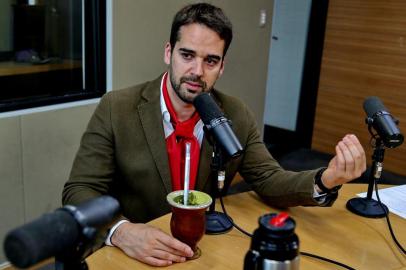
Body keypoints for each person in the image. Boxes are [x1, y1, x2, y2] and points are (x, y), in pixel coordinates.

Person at [63, 3, 366, 267]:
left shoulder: (235, 113)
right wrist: (122, 232)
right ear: (168, 52)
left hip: (203, 251)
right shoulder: (118, 107)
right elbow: (79, 190)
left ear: (222, 66)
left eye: (210, 60)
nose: (197, 70)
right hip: (134, 253)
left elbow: (269, 179)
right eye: (187, 55)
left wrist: (327, 179)